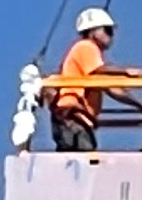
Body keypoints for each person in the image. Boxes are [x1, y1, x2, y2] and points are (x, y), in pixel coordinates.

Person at [49, 8, 130, 153]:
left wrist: (141, 106)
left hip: (74, 118)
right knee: (83, 159)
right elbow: (102, 72)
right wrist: (126, 72)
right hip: (73, 116)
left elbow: (111, 88)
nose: (111, 36)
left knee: (75, 161)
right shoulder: (86, 47)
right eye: (107, 30)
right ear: (93, 32)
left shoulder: (89, 56)